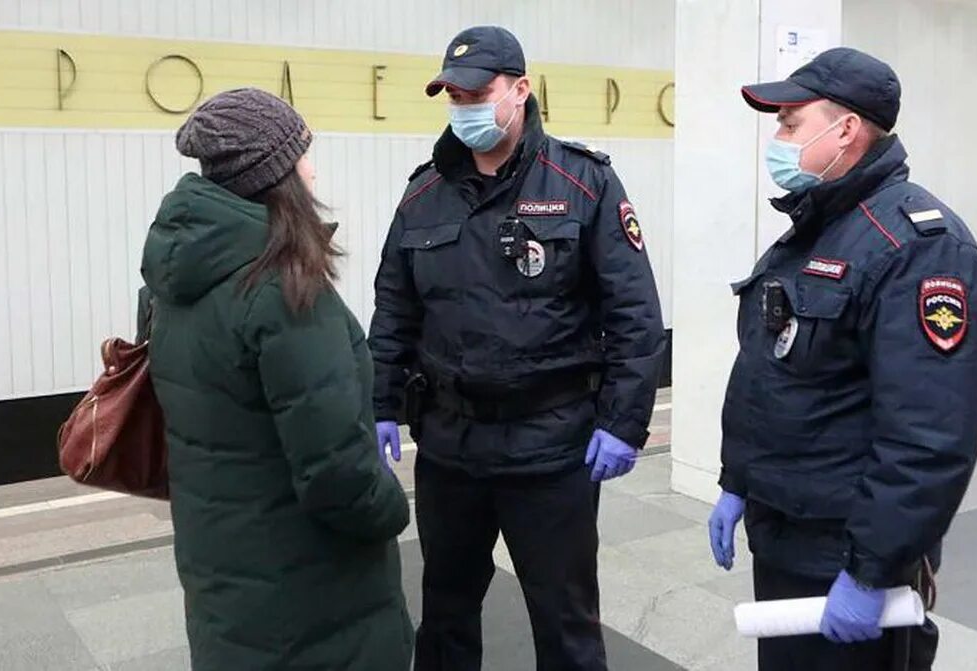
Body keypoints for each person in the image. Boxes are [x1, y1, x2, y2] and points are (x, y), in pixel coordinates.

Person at [368, 25, 666, 671]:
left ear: (521, 90)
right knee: (445, 608)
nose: (465, 108)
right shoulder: (423, 192)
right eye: (453, 96)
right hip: (450, 444)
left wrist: (623, 421)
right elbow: (395, 304)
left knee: (563, 615)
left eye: (478, 93)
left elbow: (634, 311)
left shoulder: (584, 182)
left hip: (552, 444)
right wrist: (381, 400)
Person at [706, 48, 977, 671]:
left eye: (789, 123)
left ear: (846, 130)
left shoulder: (920, 250)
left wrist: (872, 571)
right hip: (783, 533)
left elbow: (928, 438)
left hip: (848, 558)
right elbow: (769, 374)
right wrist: (738, 481)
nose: (777, 139)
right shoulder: (816, 227)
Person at [140, 88, 413, 671]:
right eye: (304, 154)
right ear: (277, 174)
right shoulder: (286, 293)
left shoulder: (176, 281)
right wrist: (392, 507)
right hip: (311, 594)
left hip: (222, 568)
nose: (313, 168)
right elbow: (337, 474)